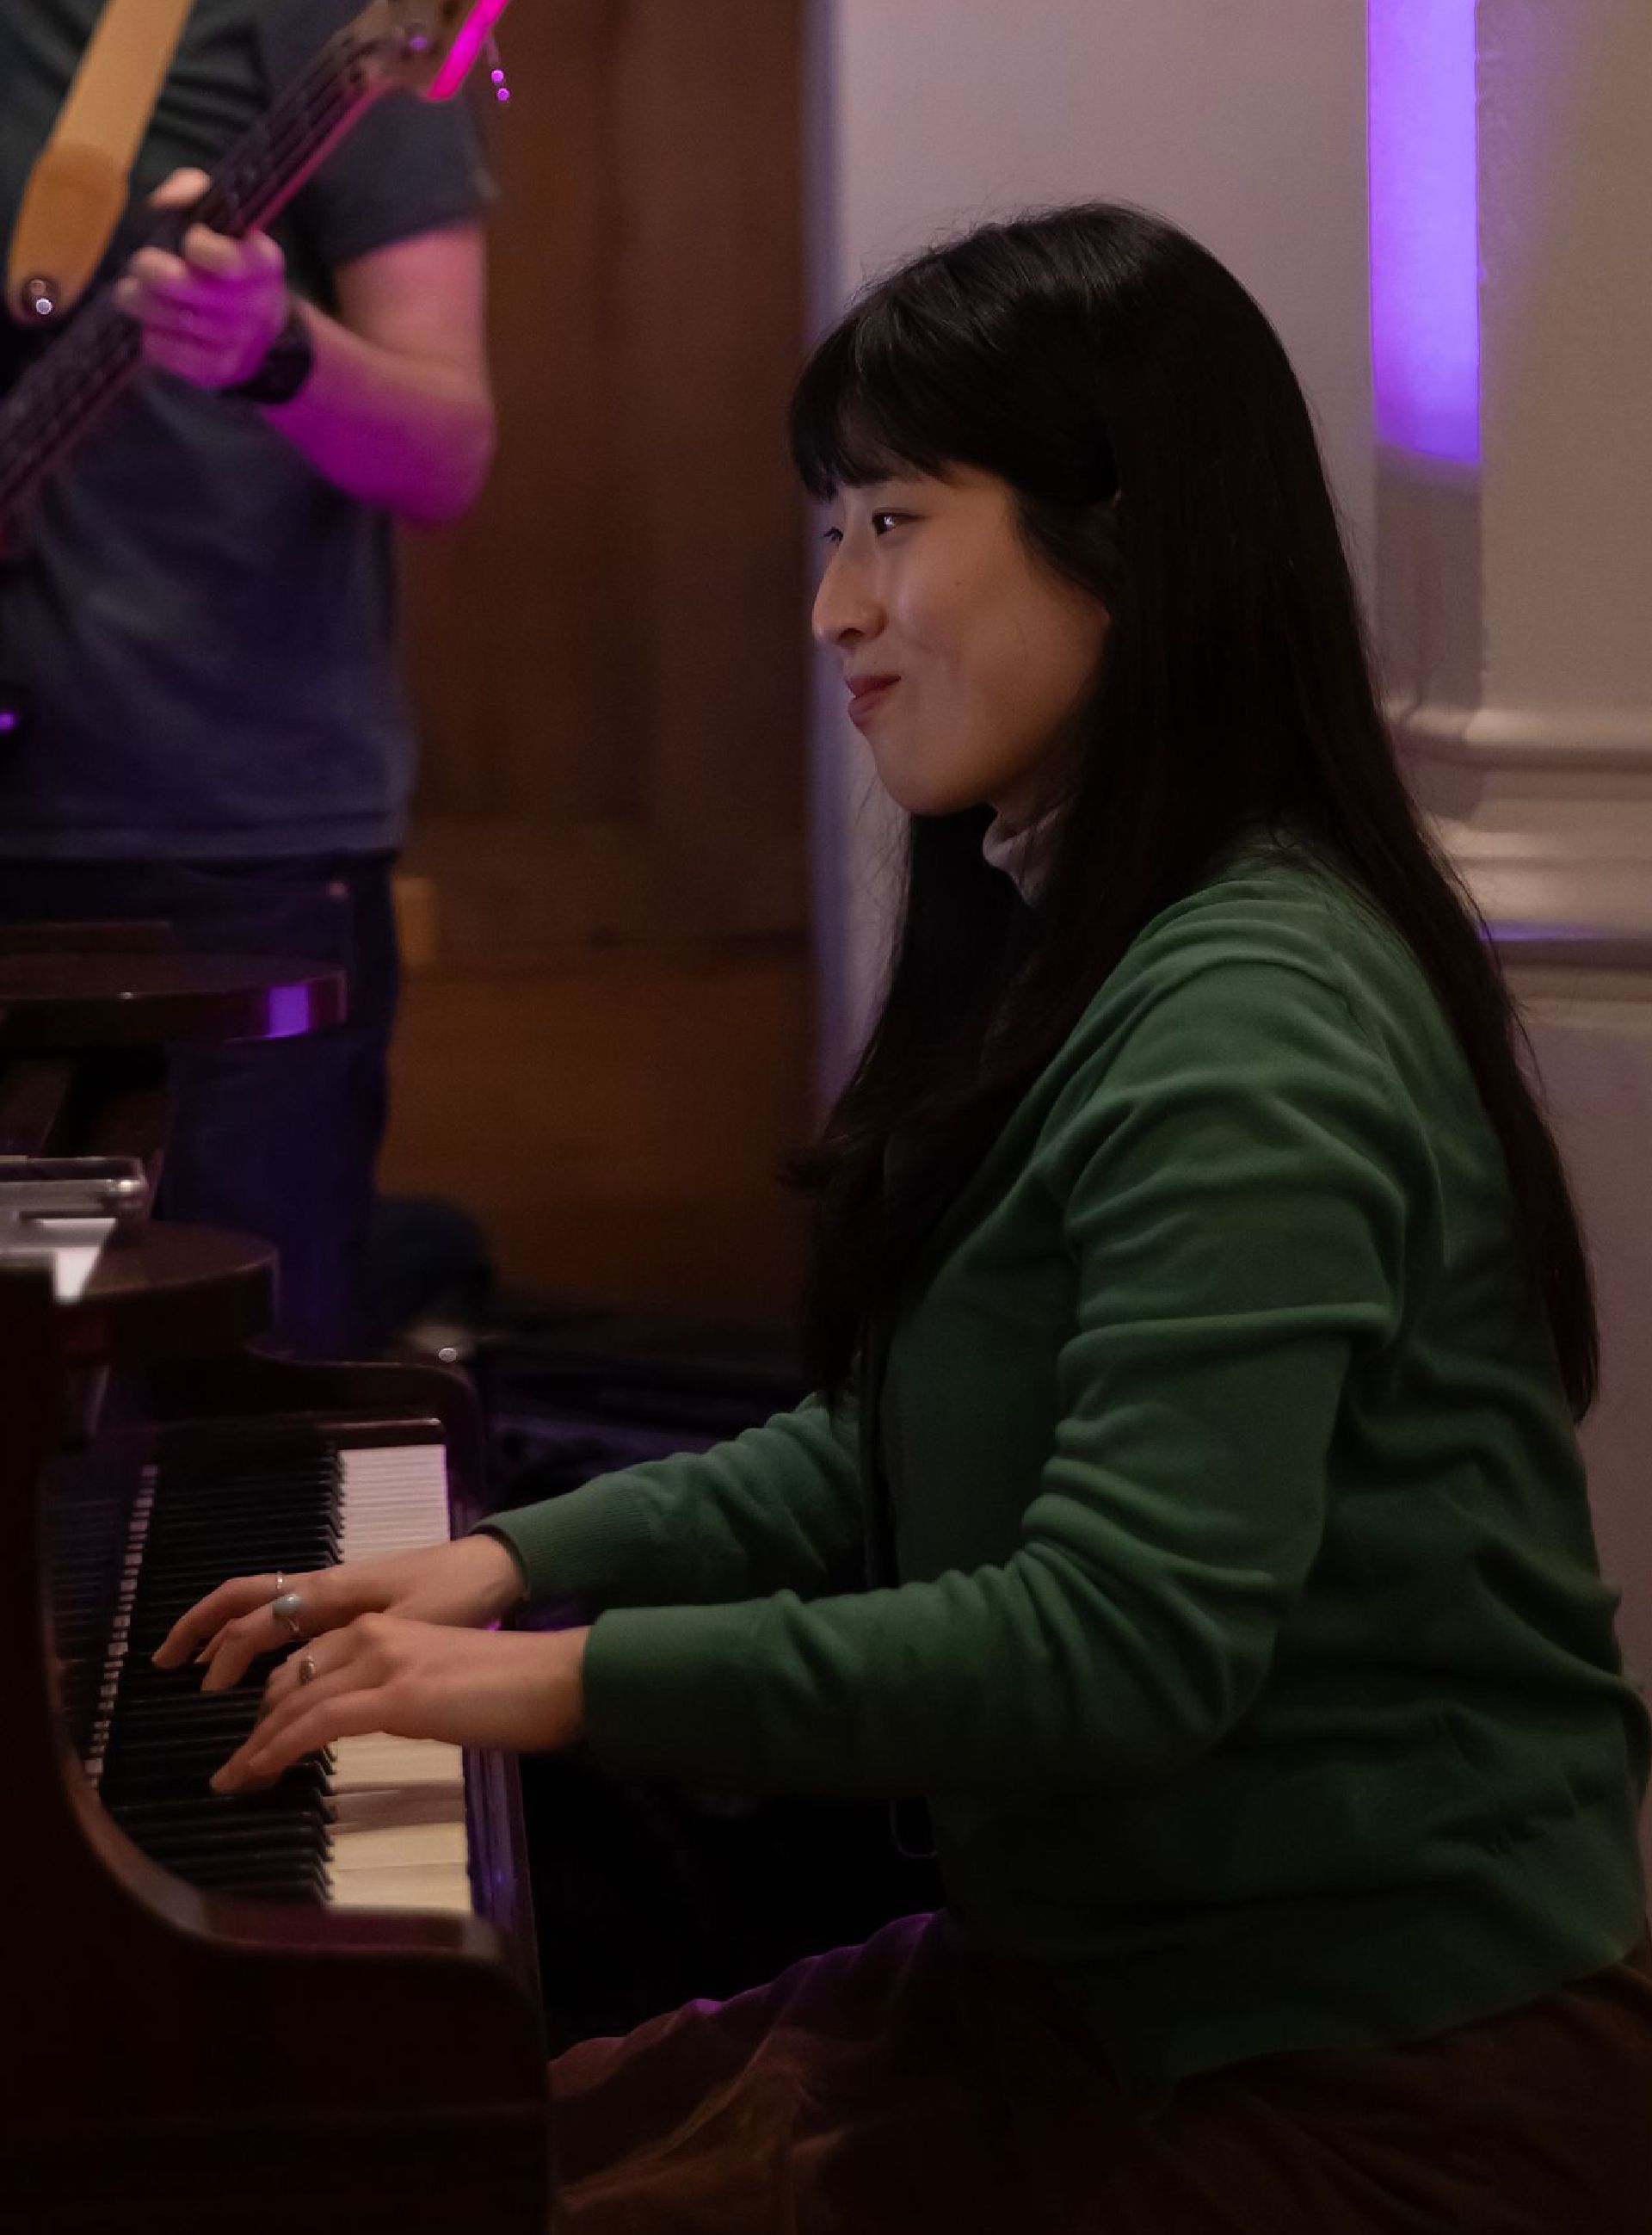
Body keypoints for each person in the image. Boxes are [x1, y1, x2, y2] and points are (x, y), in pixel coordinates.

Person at [155, 204, 1652, 2230]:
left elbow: (1121, 1650)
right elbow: (894, 1447)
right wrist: (499, 1566)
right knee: (401, 2165)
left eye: (890, 522)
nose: (831, 608)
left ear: (1125, 545)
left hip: (1372, 2070)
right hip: (1105, 1994)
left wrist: (561, 1681)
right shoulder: (1090, 937)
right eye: (828, 530)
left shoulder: (1247, 1020)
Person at [0, 0, 495, 1355]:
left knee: (212, 1384)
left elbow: (448, 448)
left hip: (218, 860)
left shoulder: (324, 23)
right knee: (35, 1364)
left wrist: (279, 350)